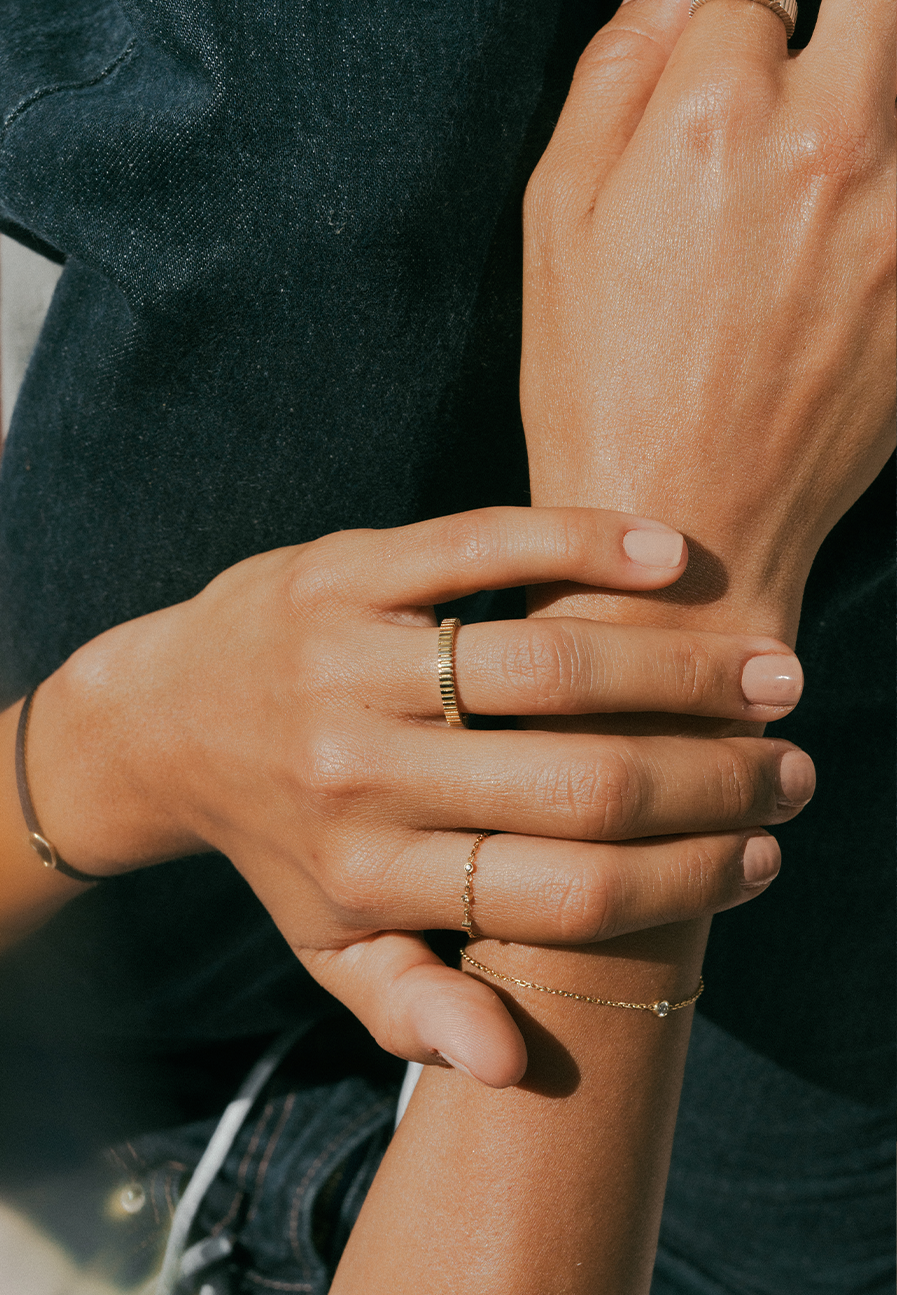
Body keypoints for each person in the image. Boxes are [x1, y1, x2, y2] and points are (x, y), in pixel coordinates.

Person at [0, 0, 892, 1291]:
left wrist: (131, 739)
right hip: (622, 1206)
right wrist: (668, 589)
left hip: (77, 1034)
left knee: (360, 125)